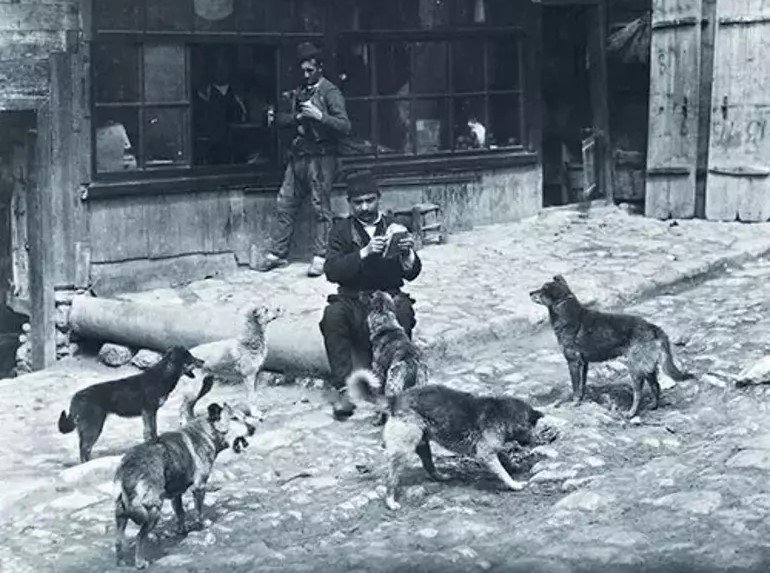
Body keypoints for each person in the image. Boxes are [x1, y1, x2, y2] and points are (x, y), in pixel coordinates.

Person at [319, 170, 422, 420]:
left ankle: (400, 385)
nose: (364, 207)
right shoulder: (340, 231)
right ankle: (343, 389)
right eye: (358, 202)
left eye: (369, 200)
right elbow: (331, 271)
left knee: (405, 312)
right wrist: (363, 253)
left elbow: (412, 274)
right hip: (353, 301)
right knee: (332, 317)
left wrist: (408, 255)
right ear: (349, 203)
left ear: (379, 198)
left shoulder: (395, 226)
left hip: (388, 299)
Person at [258, 42, 351, 277]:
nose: (305, 75)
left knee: (321, 207)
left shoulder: (330, 92)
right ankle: (278, 253)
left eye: (310, 70)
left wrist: (320, 116)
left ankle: (321, 255)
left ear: (320, 68)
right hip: (298, 156)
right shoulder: (299, 92)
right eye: (303, 71)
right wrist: (298, 116)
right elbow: (281, 119)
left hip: (321, 158)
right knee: (284, 203)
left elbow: (345, 126)